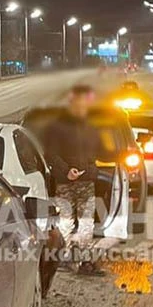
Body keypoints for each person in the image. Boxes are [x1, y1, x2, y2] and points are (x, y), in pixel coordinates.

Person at [42, 84, 103, 276]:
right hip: (66, 182)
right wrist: (67, 171)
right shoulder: (57, 127)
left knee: (86, 224)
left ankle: (85, 261)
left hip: (86, 182)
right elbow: (50, 153)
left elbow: (97, 153)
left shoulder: (92, 127)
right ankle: (64, 259)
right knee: (66, 222)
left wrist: (91, 170)